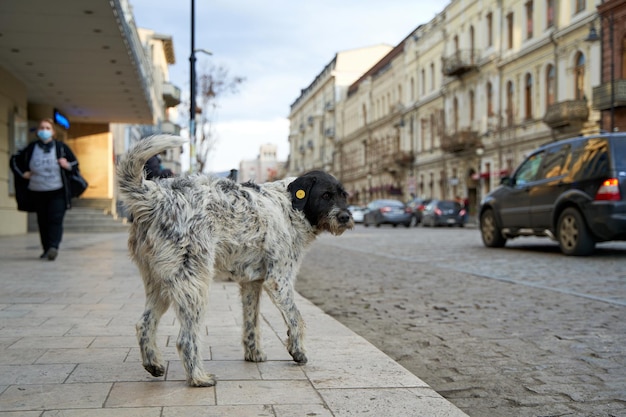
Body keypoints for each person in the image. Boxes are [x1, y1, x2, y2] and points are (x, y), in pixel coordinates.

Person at [10, 118, 81, 261]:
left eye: (48, 128)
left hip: (57, 191)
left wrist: (66, 164)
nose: (44, 130)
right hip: (37, 191)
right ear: (37, 131)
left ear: (53, 132)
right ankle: (46, 248)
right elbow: (14, 160)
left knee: (55, 219)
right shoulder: (31, 148)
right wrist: (23, 174)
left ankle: (53, 247)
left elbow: (75, 165)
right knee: (42, 221)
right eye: (42, 127)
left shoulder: (61, 147)